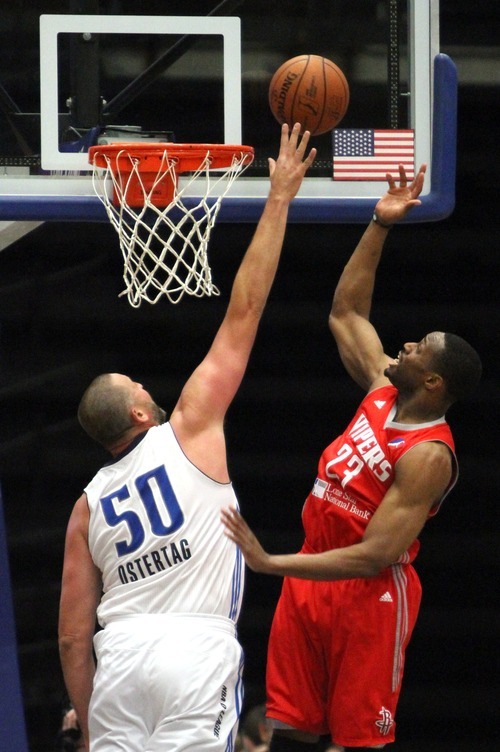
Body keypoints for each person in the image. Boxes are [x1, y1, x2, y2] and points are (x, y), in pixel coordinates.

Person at [58, 122, 317, 752]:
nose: (148, 386)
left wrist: (88, 719)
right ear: (140, 415)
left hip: (118, 658)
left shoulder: (86, 505)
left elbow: (70, 636)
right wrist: (279, 195)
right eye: (138, 385)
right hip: (194, 651)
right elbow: (244, 312)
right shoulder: (190, 427)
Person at [221, 163, 482, 752]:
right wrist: (379, 225)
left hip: (368, 596)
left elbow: (373, 556)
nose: (407, 344)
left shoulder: (429, 456)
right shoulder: (381, 389)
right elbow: (346, 314)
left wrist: (270, 562)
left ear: (434, 382)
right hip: (311, 576)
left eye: (420, 348)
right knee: (285, 729)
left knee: (357, 741)